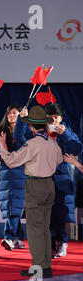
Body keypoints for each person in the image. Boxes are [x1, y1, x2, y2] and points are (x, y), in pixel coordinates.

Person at [0, 105, 63, 278]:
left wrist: (2, 147)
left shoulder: (32, 144)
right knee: (44, 227)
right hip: (49, 184)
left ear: (31, 126)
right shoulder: (52, 142)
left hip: (35, 185)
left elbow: (12, 161)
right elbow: (58, 160)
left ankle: (38, 266)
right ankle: (46, 266)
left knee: (35, 228)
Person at [44, 103, 82, 258]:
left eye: (57, 117)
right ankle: (51, 243)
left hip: (60, 178)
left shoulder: (66, 131)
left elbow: (77, 148)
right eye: (51, 117)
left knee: (60, 213)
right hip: (43, 177)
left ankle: (62, 242)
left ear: (61, 118)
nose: (54, 121)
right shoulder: (39, 131)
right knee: (46, 214)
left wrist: (65, 134)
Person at [0, 105, 26, 250]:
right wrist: (1, 151)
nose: (12, 116)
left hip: (21, 172)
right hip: (6, 174)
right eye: (10, 114)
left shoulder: (25, 132)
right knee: (10, 206)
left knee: (15, 206)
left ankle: (9, 237)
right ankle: (18, 237)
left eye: (15, 113)